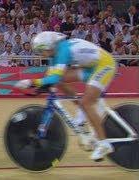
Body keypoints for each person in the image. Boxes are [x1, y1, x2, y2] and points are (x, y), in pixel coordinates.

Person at [15, 31, 117, 161]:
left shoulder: (63, 50)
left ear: (49, 47)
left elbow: (54, 77)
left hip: (104, 65)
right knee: (57, 80)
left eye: (42, 51)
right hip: (91, 67)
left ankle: (104, 144)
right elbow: (51, 76)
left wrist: (31, 82)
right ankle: (82, 110)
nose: (41, 54)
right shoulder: (55, 52)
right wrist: (41, 85)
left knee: (87, 102)